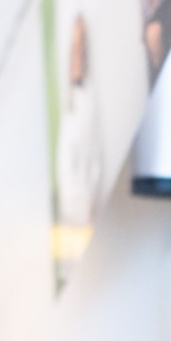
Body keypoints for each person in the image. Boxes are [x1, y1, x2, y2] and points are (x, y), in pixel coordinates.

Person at [53, 13, 101, 262]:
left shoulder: (86, 103)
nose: (77, 55)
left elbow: (92, 164)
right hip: (73, 217)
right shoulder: (70, 110)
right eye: (75, 47)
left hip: (83, 213)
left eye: (80, 46)